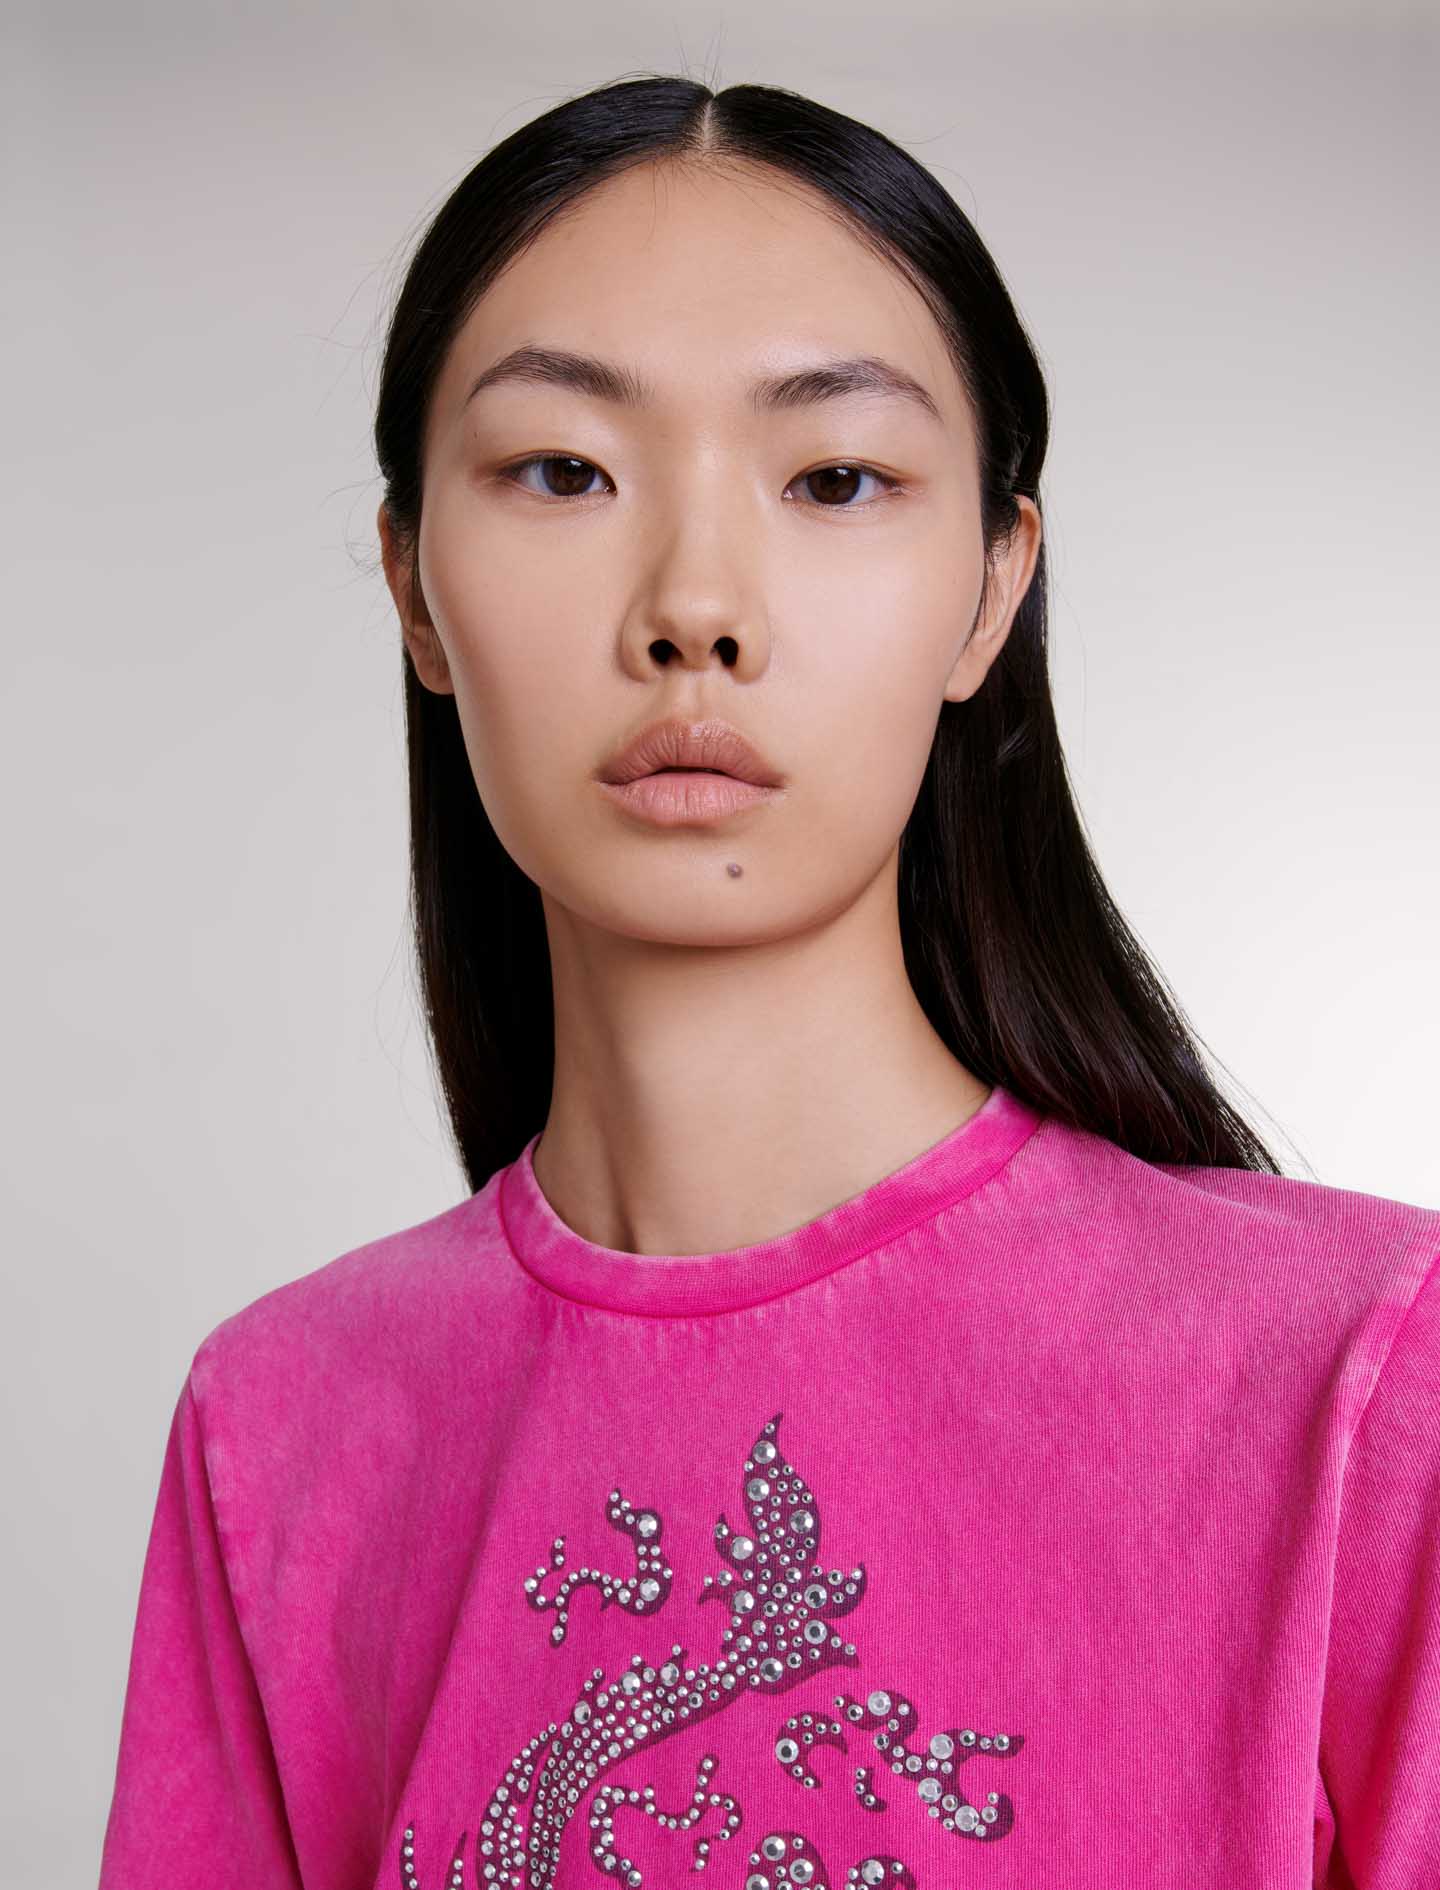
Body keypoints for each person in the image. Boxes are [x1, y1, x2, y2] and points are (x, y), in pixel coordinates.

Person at [97, 72, 1440, 1890]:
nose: (695, 607)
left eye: (835, 479)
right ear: (414, 584)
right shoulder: (283, 1426)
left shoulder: (1362, 1382)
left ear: (991, 588)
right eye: (563, 471)